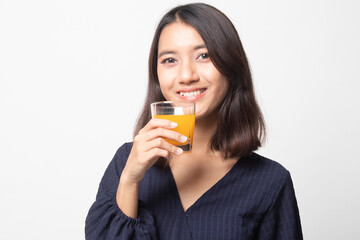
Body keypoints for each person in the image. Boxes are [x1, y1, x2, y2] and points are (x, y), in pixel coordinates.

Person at [85, 3, 302, 239]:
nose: (187, 75)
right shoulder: (126, 163)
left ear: (231, 65)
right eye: (170, 60)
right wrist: (130, 180)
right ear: (156, 74)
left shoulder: (270, 181)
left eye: (204, 55)